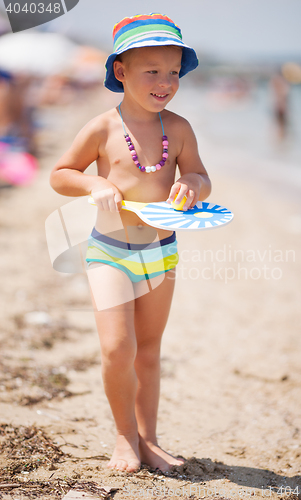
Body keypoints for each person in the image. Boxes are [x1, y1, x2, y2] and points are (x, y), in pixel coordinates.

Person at [50, 13, 211, 473]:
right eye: (153, 71)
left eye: (175, 72)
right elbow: (61, 174)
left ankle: (149, 438)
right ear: (120, 72)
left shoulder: (177, 128)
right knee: (118, 348)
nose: (166, 82)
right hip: (110, 252)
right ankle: (124, 437)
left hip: (162, 250)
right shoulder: (102, 128)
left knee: (149, 350)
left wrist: (194, 187)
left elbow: (199, 173)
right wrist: (92, 187)